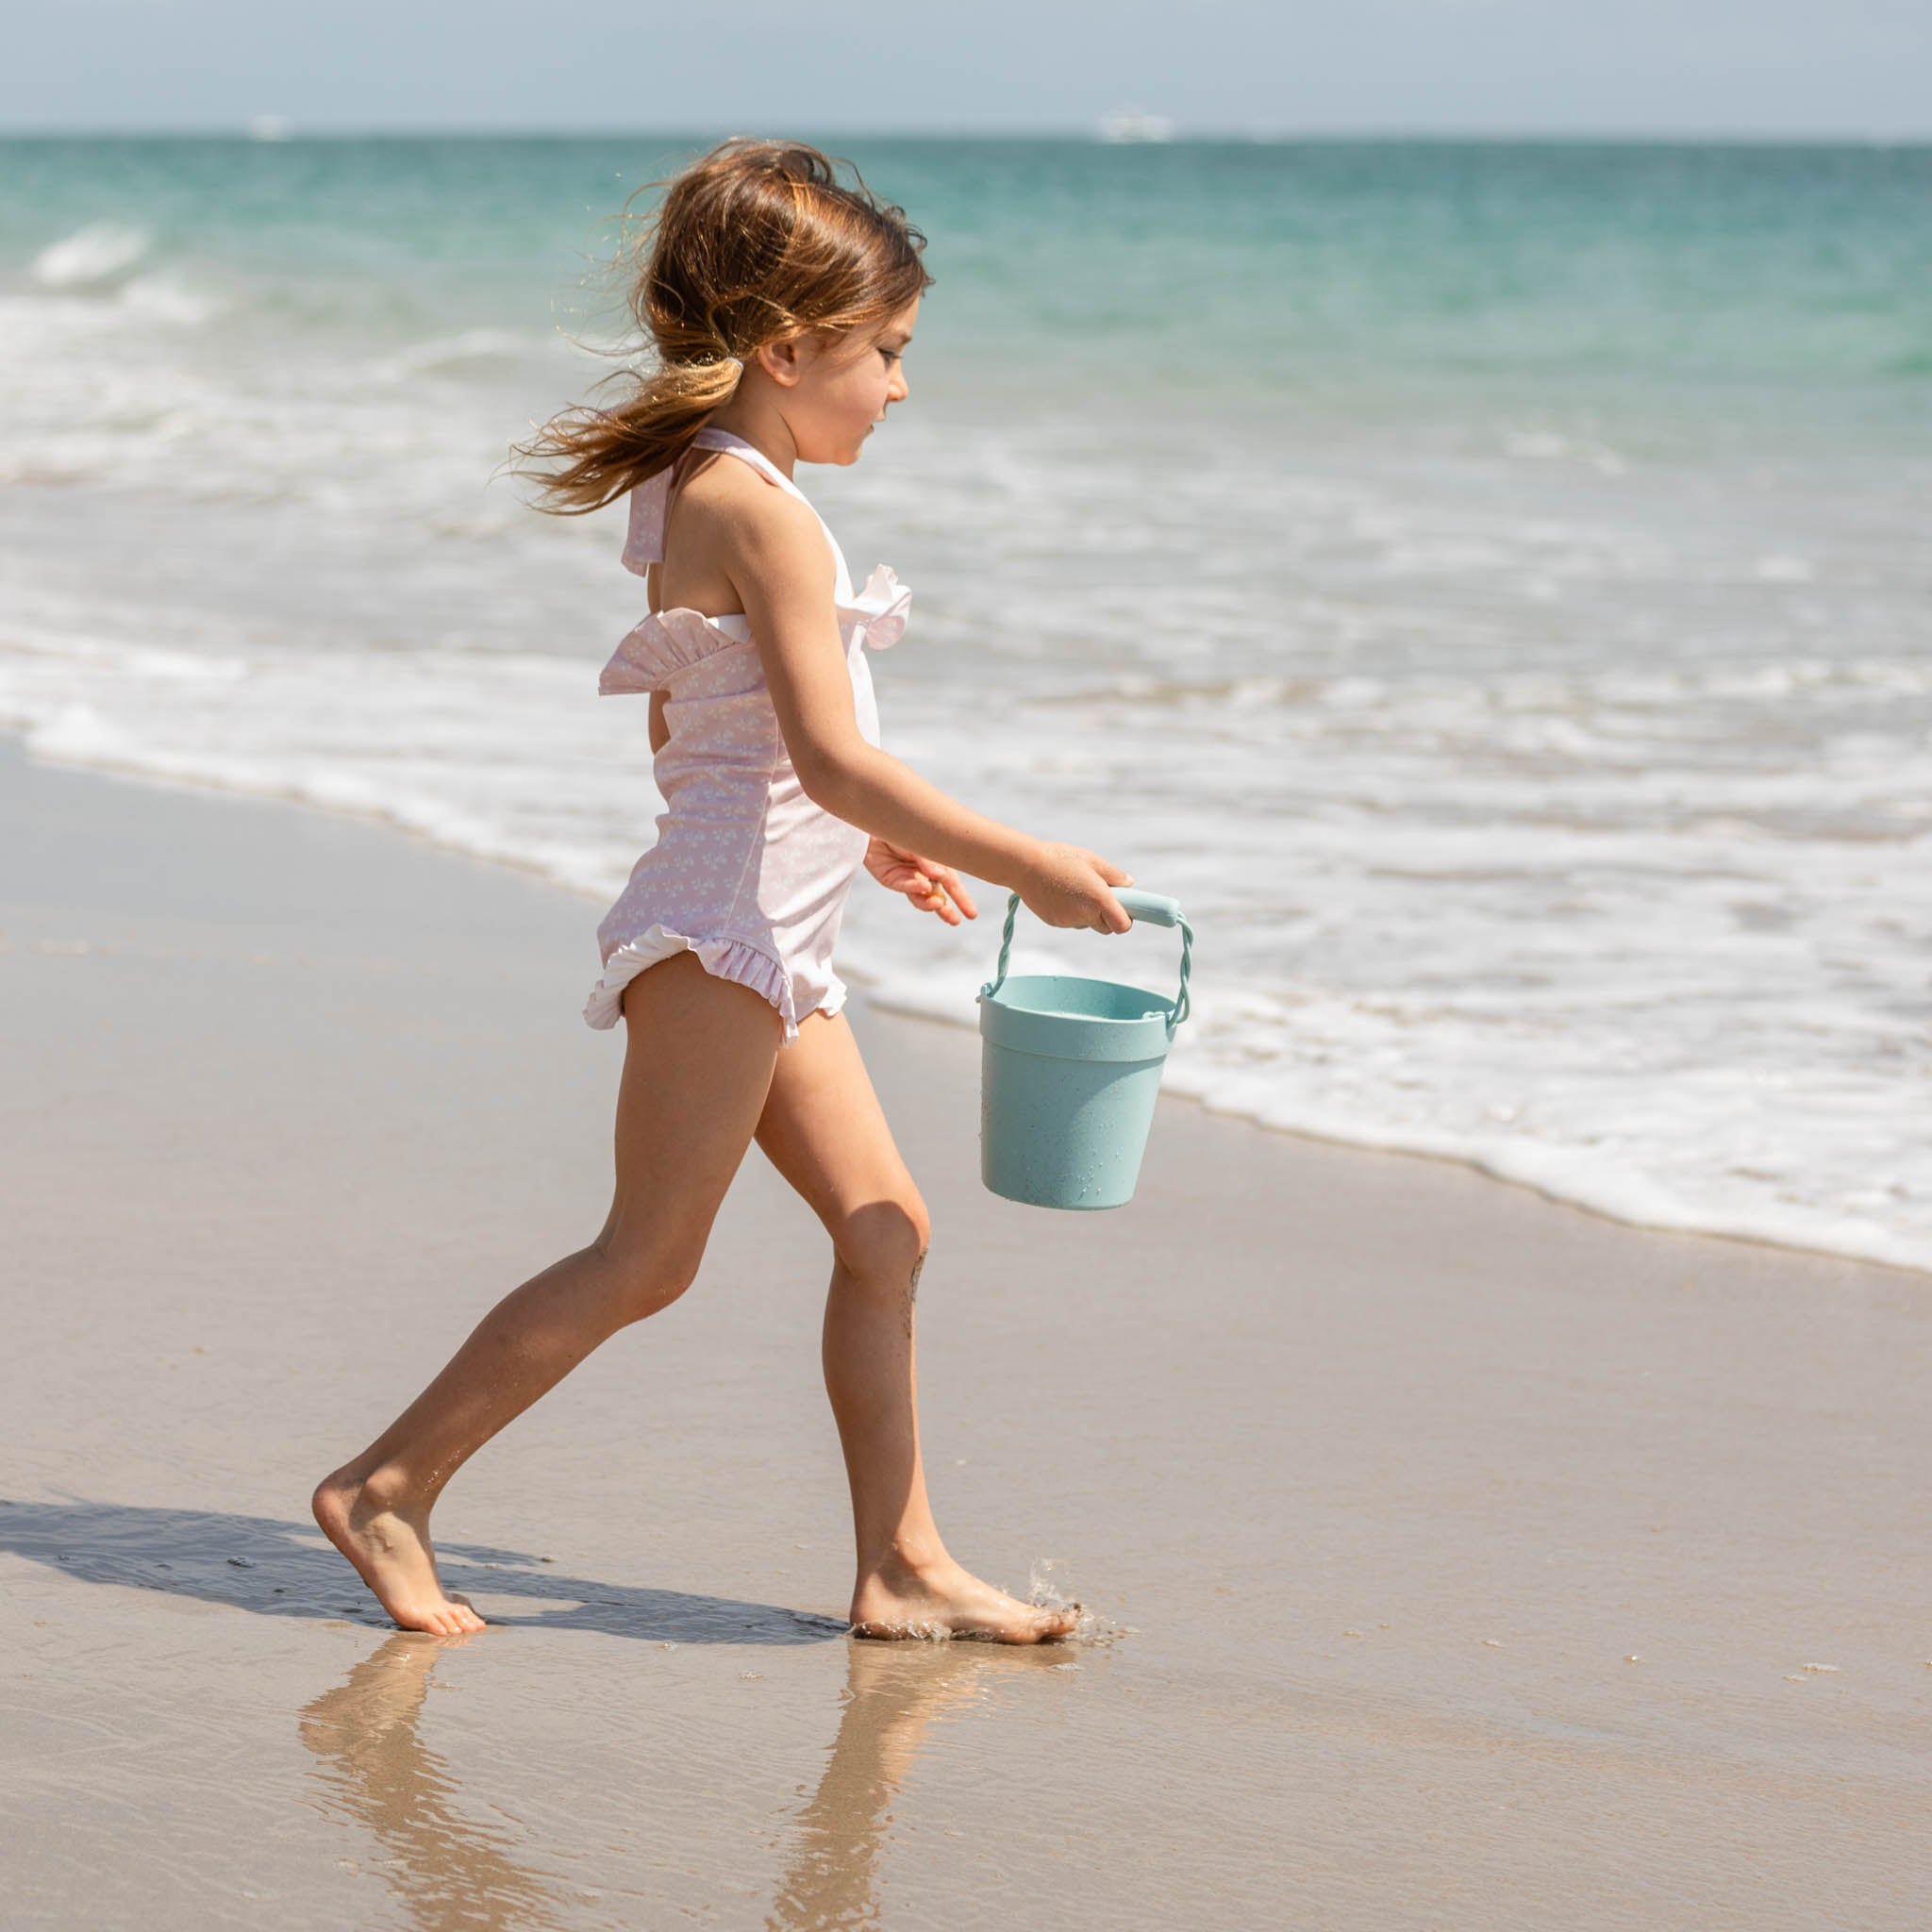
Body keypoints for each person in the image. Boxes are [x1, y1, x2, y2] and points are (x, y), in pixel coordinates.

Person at [314, 139, 1133, 1643]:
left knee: (886, 1227)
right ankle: (385, 1486)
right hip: (722, 931)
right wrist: (1031, 864)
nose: (900, 385)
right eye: (887, 352)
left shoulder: (707, 488)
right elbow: (819, 751)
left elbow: (702, 726)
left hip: (766, 917)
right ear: (785, 349)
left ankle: (901, 1565)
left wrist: (864, 839)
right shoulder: (760, 508)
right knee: (650, 1255)